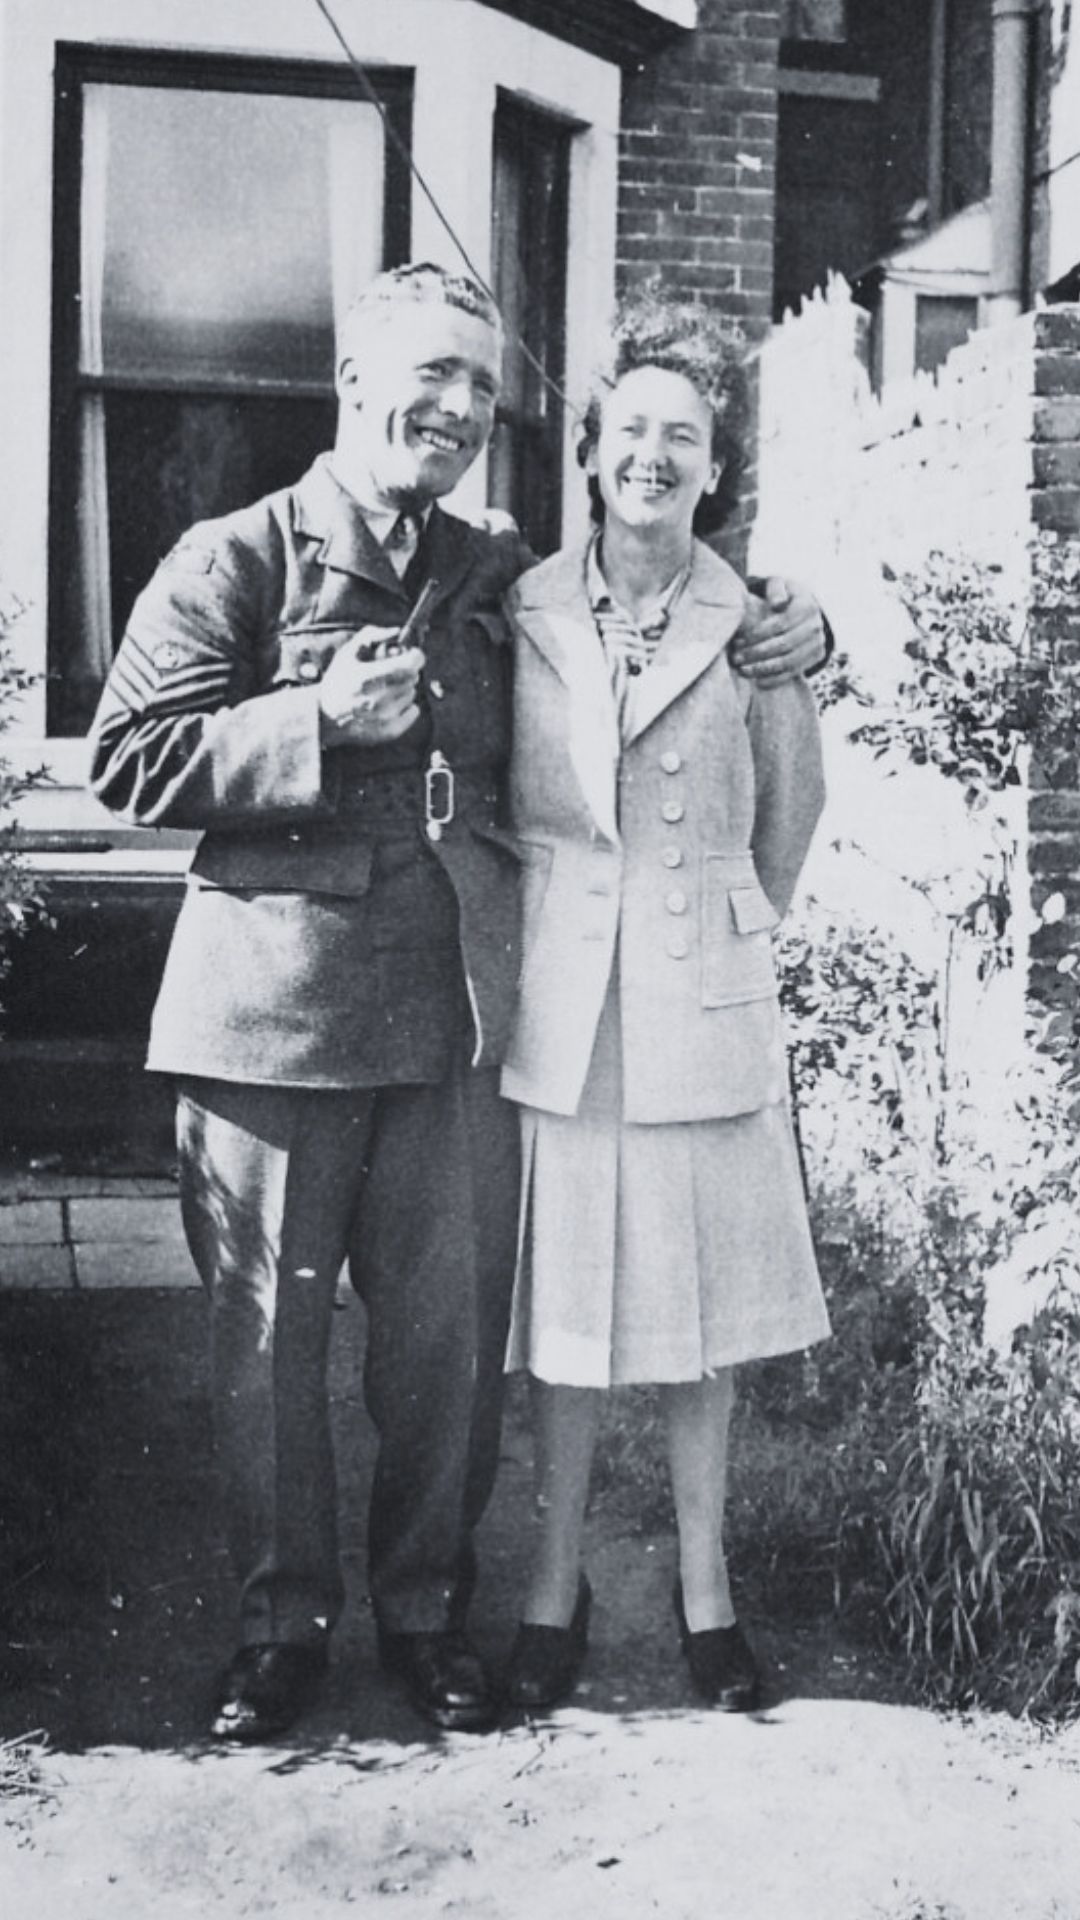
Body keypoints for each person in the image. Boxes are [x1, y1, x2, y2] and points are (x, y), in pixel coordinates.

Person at [88, 262, 826, 1744]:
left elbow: (658, 595)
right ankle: (280, 1632)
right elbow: (125, 759)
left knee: (445, 1352)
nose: (450, 407)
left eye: (477, 385)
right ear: (352, 378)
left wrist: (803, 626)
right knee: (271, 1349)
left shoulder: (489, 567)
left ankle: (428, 1616)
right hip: (273, 1022)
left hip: (454, 1021)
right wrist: (306, 723)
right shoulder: (233, 556)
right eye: (425, 374)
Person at [499, 295, 831, 1716]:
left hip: (700, 993)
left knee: (699, 1326)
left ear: (714, 468)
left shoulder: (758, 621)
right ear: (587, 455)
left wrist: (714, 925)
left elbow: (794, 809)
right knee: (565, 1320)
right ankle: (552, 1585)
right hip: (564, 1007)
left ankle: (707, 1598)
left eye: (681, 438)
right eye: (628, 429)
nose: (651, 455)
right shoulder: (519, 606)